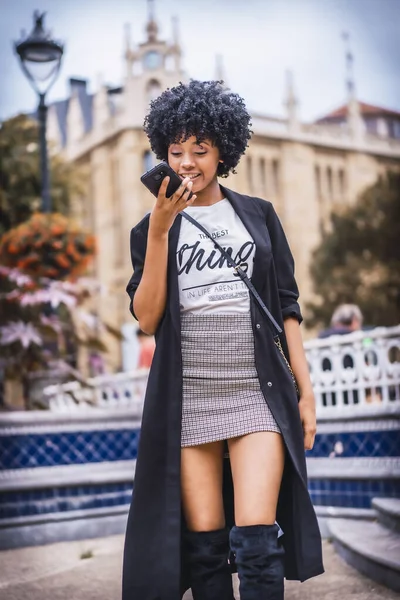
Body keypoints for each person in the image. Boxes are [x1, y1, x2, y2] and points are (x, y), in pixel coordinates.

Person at [123, 80, 324, 600]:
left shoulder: (257, 215)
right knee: (206, 549)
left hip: (255, 390)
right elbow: (147, 319)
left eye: (200, 150)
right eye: (175, 151)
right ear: (162, 151)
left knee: (257, 542)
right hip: (188, 395)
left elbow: (286, 306)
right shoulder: (149, 230)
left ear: (224, 152)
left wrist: (305, 391)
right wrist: (164, 231)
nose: (187, 162)